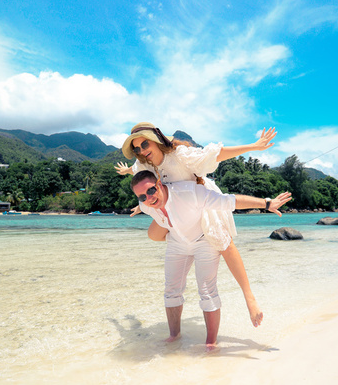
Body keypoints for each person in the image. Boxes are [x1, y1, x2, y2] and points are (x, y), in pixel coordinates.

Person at [116, 122, 277, 327]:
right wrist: (143, 201)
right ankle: (186, 241)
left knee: (223, 244)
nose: (142, 151)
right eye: (137, 149)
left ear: (156, 140)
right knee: (154, 234)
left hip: (200, 201)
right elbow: (138, 174)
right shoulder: (144, 164)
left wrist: (253, 146)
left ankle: (249, 297)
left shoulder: (179, 155)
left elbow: (214, 155)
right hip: (175, 211)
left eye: (145, 144)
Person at [131, 169, 291, 349]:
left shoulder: (189, 193)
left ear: (159, 184)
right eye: (142, 197)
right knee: (171, 290)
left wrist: (267, 204)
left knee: (207, 291)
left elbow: (230, 201)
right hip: (177, 241)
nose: (149, 198)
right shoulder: (146, 205)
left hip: (204, 240)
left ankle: (211, 343)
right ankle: (174, 337)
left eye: (151, 191)